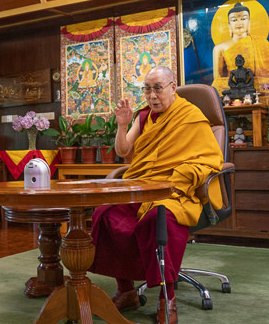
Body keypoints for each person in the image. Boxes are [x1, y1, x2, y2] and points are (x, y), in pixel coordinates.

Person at [88, 66, 223, 324]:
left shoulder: (190, 115)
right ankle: (126, 290)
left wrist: (179, 179)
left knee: (158, 219)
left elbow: (209, 160)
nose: (152, 96)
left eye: (158, 88)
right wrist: (123, 124)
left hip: (173, 189)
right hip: (140, 186)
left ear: (173, 87)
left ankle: (167, 297)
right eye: (147, 89)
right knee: (106, 213)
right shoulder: (143, 117)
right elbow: (123, 150)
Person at [211, 2, 269, 94]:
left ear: (249, 22)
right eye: (234, 20)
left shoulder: (262, 43)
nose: (239, 23)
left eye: (243, 18)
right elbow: (217, 81)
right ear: (229, 24)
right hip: (232, 90)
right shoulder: (219, 48)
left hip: (256, 88)